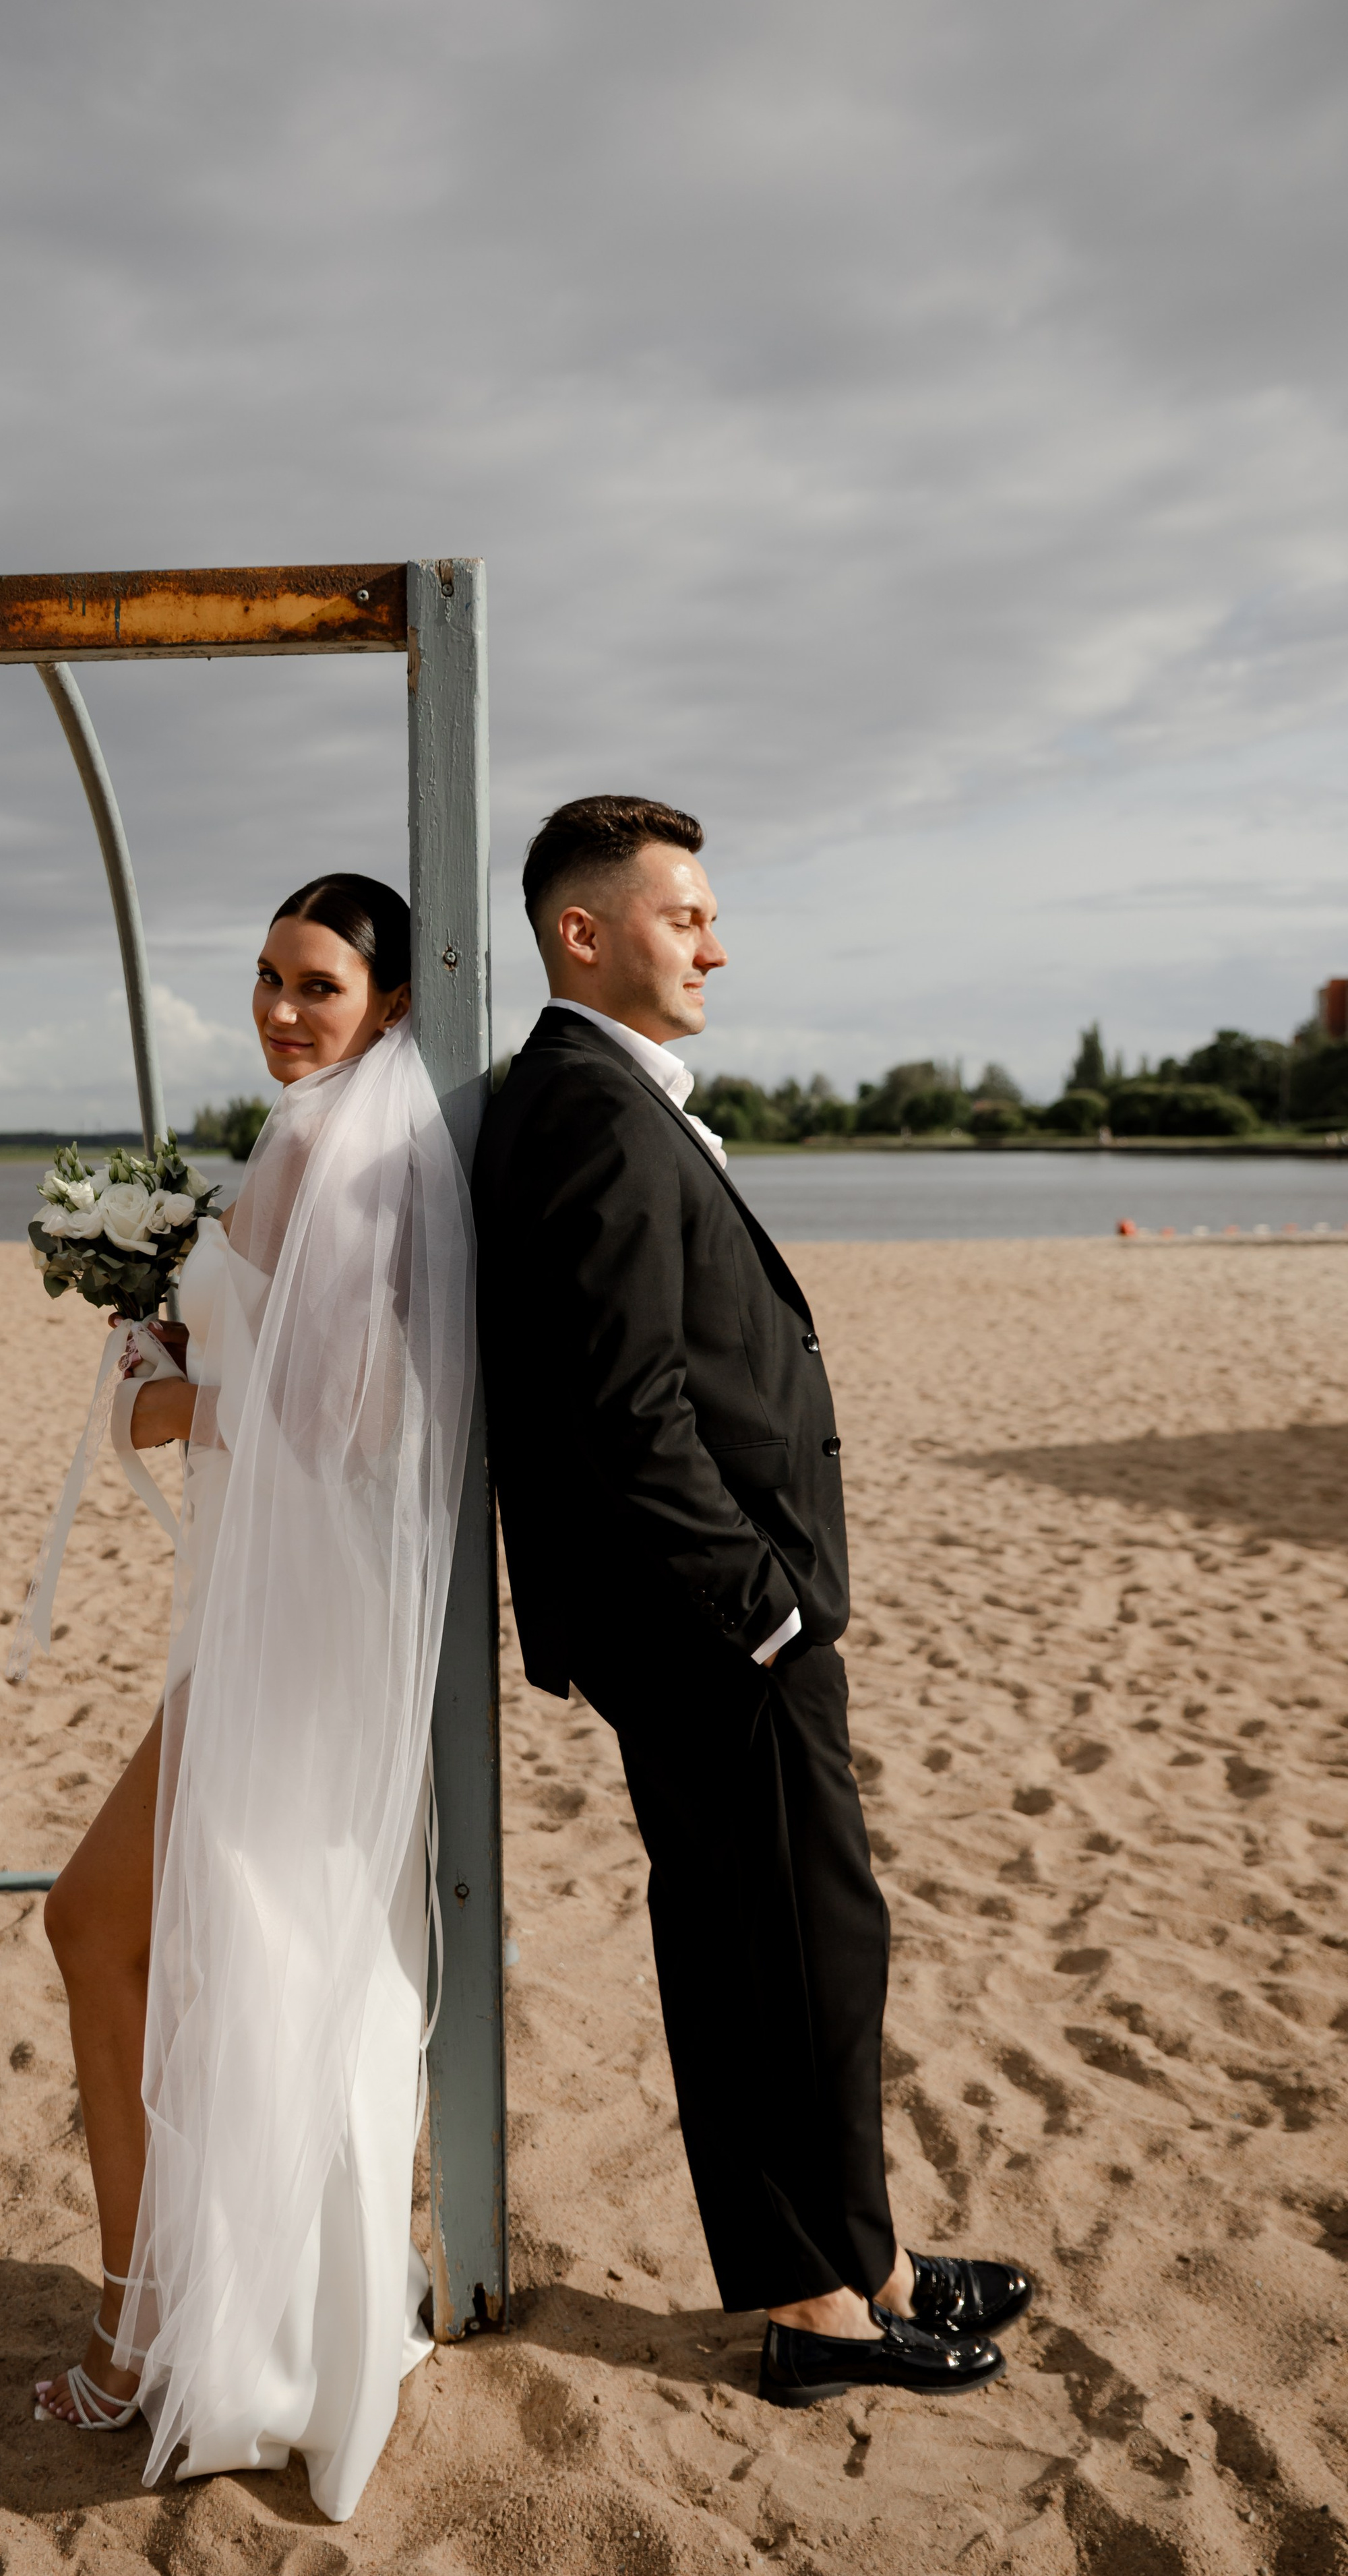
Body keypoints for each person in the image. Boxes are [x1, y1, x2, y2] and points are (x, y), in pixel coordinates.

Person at [472, 797, 1032, 2406]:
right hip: (711, 1631)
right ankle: (809, 2304)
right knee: (769, 1953)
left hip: (717, 1618)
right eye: (683, 914)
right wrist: (758, 1604)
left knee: (805, 1941)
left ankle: (864, 2258)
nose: (716, 941)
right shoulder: (584, 1105)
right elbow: (620, 1399)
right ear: (582, 933)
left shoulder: (598, 1096)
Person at [32, 873, 474, 2517]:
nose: (284, 1012)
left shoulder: (330, 1163)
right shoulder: (339, 1148)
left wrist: (163, 1388)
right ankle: (230, 2321)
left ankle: (153, 2336)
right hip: (300, 1619)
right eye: (268, 981)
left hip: (293, 1633)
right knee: (262, 1952)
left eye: (319, 986)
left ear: (388, 1005)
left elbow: (340, 1421)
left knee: (108, 1928)